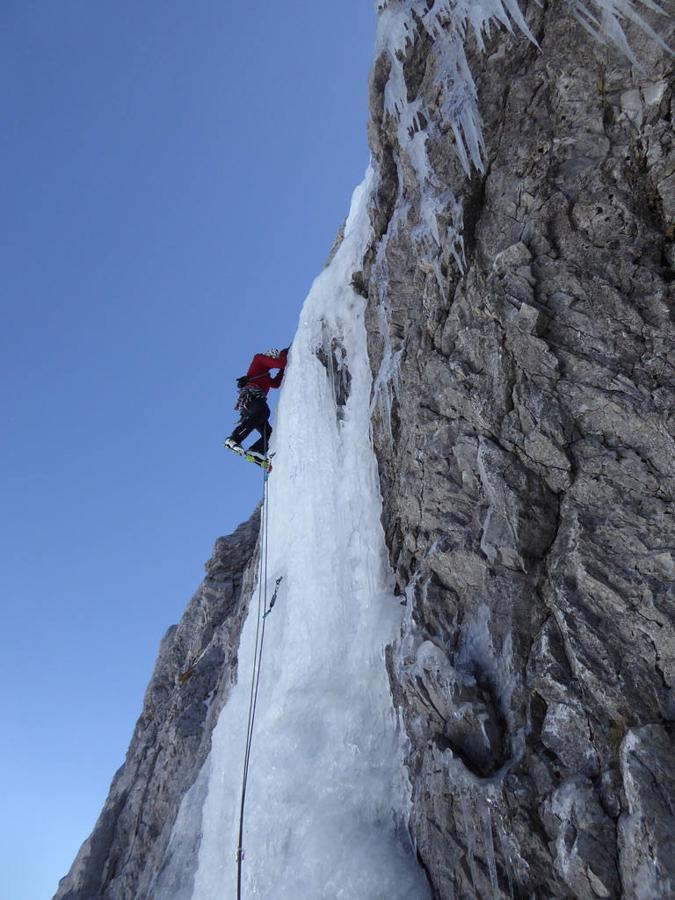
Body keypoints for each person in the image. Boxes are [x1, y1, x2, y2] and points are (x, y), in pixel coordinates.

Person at [224, 347, 288, 459]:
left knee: (269, 434)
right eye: (272, 357)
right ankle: (234, 439)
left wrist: (286, 367)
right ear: (268, 356)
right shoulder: (258, 359)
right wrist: (285, 354)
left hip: (254, 406)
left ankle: (255, 451)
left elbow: (276, 383)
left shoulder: (266, 376)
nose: (272, 360)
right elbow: (281, 363)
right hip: (251, 399)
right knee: (264, 412)